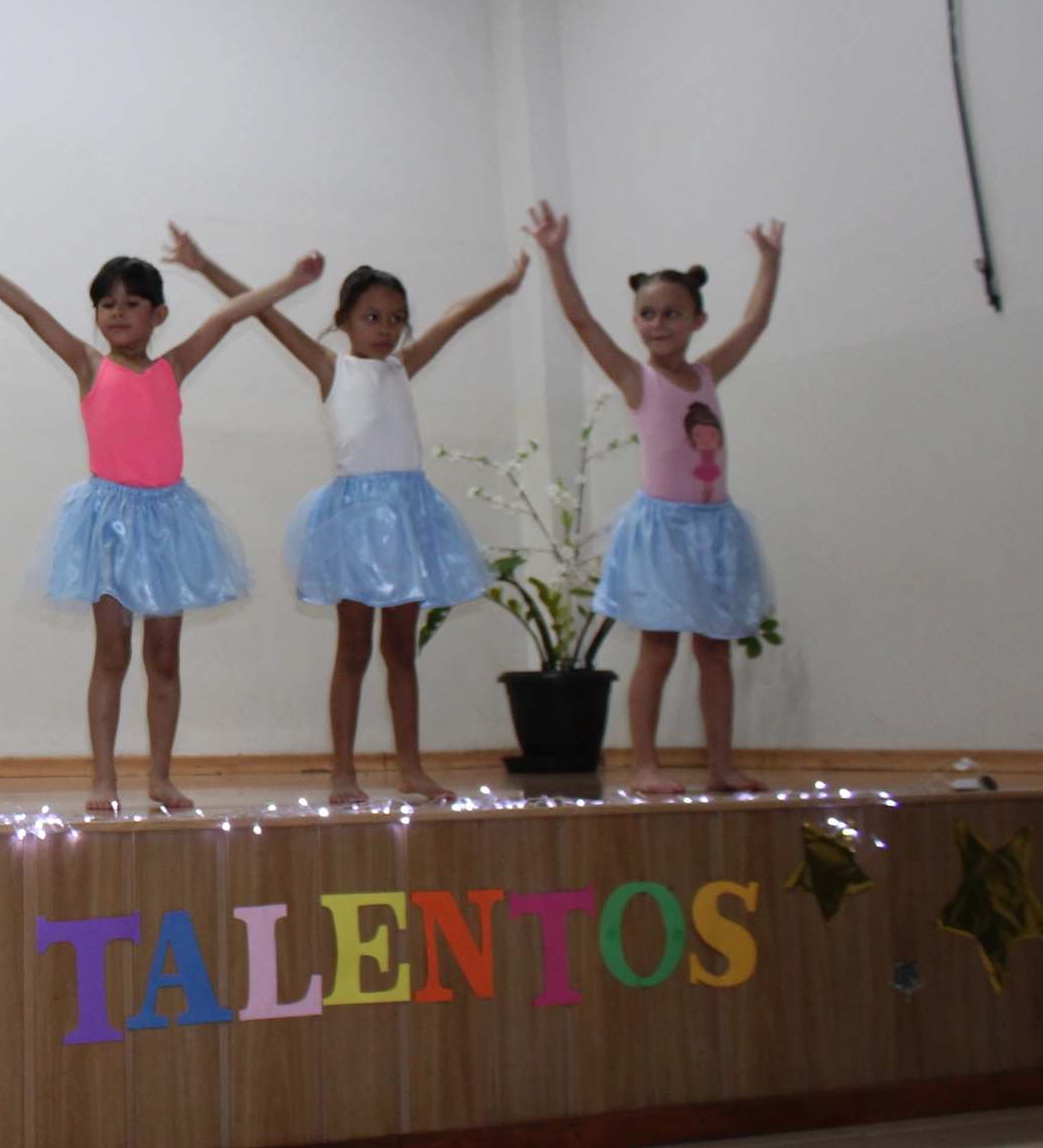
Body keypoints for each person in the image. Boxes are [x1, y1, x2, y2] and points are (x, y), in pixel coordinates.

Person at [0, 224, 320, 814]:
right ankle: (104, 778)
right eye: (107, 304)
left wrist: (291, 281)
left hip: (170, 522)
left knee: (164, 657)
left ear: (158, 314)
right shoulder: (88, 365)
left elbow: (227, 317)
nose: (118, 313)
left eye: (132, 303)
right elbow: (30, 312)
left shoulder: (173, 367)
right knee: (113, 652)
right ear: (95, 313)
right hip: (108, 522)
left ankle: (160, 776)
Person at [166, 231, 525, 804]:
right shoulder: (330, 368)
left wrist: (506, 286)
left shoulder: (404, 367)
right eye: (372, 316)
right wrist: (204, 263)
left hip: (409, 519)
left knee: (402, 651)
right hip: (356, 522)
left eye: (396, 318)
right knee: (354, 650)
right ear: (344, 321)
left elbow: (458, 316)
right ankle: (343, 773)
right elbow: (263, 313)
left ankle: (411, 766)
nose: (384, 328)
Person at [525, 201, 783, 795]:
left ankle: (721, 765)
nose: (658, 324)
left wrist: (769, 262)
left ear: (696, 319)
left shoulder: (710, 373)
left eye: (672, 313)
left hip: (715, 528)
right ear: (636, 321)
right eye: (646, 314)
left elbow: (754, 324)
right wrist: (556, 254)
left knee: (715, 655)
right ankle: (645, 763)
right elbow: (584, 323)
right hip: (663, 530)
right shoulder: (638, 379)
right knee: (658, 651)